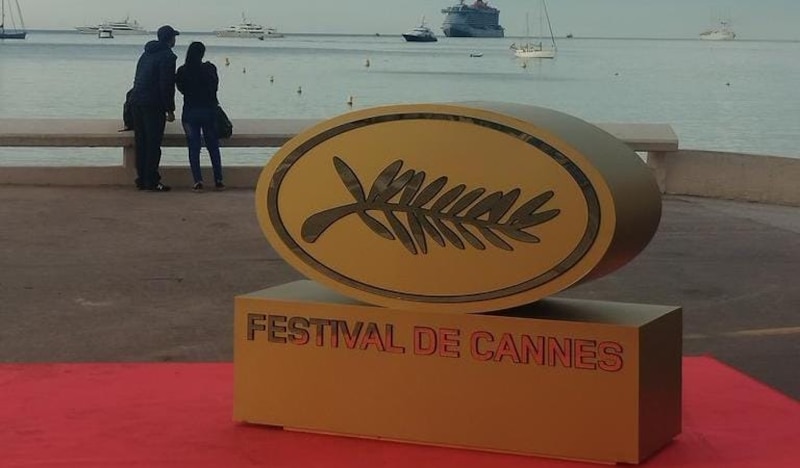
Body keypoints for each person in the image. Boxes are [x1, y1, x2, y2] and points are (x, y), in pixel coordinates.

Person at [130, 25, 180, 192]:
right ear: (170, 39)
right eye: (174, 37)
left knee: (141, 142)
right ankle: (151, 180)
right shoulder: (168, 57)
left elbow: (137, 78)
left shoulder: (146, 53)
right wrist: (170, 109)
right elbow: (166, 84)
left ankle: (141, 178)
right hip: (153, 104)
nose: (175, 40)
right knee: (153, 143)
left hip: (137, 101)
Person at [175, 41, 225, 192]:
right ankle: (218, 180)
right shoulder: (210, 69)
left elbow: (181, 89)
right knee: (213, 146)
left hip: (190, 112)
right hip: (209, 111)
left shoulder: (183, 70)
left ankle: (198, 181)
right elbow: (215, 87)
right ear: (202, 53)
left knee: (194, 147)